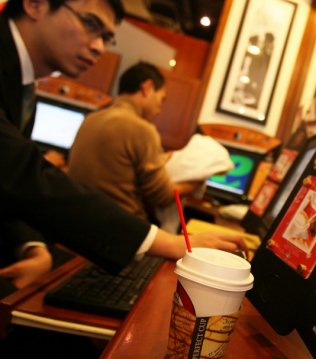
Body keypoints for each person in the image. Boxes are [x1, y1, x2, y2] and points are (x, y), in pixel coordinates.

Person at [0, 0, 246, 297]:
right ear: (35, 4)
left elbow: (9, 184)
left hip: (59, 242)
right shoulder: (140, 129)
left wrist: (32, 245)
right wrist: (171, 238)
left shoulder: (86, 111)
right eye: (91, 24)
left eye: (107, 37)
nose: (99, 47)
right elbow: (24, 173)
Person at [68, 62, 199, 223]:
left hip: (79, 221)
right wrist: (195, 182)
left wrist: (159, 160)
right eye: (161, 99)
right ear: (147, 87)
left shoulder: (91, 118)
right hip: (121, 227)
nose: (159, 109)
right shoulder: (142, 129)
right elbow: (162, 196)